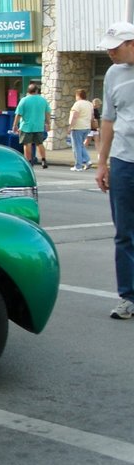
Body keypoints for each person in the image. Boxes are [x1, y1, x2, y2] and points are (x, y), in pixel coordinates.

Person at [95, 21, 134, 319]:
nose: (110, 51)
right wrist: (102, 162)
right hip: (123, 163)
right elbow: (108, 120)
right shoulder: (113, 74)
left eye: (115, 45)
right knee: (124, 233)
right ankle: (128, 298)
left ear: (132, 43)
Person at [12, 82, 51, 169]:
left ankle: (29, 162)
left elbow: (18, 114)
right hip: (39, 126)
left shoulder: (24, 100)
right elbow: (47, 112)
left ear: (28, 91)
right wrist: (48, 123)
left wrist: (15, 125)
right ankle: (44, 160)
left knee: (27, 144)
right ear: (36, 91)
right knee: (39, 143)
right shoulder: (43, 100)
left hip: (26, 126)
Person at [68, 88, 94, 171]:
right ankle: (87, 161)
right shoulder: (90, 104)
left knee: (76, 147)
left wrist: (70, 126)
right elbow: (92, 117)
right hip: (86, 127)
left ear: (78, 95)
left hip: (77, 127)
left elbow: (74, 116)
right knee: (81, 145)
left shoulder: (77, 104)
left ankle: (78, 166)